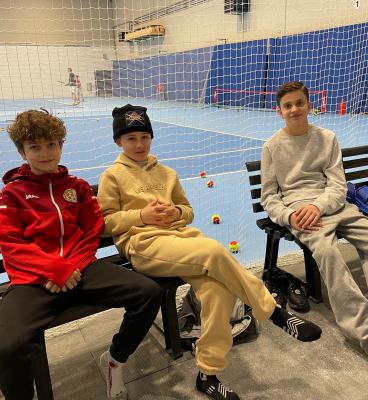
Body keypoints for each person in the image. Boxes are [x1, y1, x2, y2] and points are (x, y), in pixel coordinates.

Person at [97, 104, 322, 400]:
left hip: (181, 240)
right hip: (144, 245)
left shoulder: (166, 173)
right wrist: (142, 216)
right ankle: (272, 311)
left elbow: (187, 211)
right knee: (214, 251)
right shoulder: (112, 176)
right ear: (119, 142)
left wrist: (177, 212)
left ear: (151, 138)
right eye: (131, 139)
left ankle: (208, 375)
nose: (139, 144)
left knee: (219, 291)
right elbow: (104, 224)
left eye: (144, 137)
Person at [0, 109, 163, 400]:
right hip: (33, 281)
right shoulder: (11, 194)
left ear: (61, 146)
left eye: (51, 144)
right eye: (35, 147)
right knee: (8, 346)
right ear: (22, 152)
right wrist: (54, 269)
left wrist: (72, 267)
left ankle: (115, 358)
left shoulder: (77, 188)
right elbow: (11, 243)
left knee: (149, 292)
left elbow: (92, 230)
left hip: (82, 270)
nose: (45, 153)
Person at [260, 81, 368, 379]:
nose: (294, 109)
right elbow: (269, 197)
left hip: (334, 206)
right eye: (287, 105)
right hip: (301, 214)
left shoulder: (327, 138)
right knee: (328, 253)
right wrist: (290, 215)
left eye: (299, 103)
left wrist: (319, 205)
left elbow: (338, 185)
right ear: (280, 111)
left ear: (309, 105)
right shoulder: (271, 147)